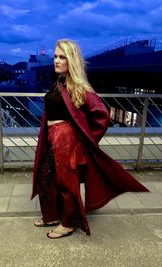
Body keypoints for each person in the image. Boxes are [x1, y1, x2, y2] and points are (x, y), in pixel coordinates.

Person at [31, 39, 149, 239]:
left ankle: (68, 223)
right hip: (52, 137)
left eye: (62, 57)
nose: (56, 61)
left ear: (72, 60)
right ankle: (51, 215)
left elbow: (102, 115)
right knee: (45, 176)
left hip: (66, 140)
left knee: (66, 182)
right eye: (55, 56)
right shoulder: (58, 82)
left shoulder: (78, 87)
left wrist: (84, 140)